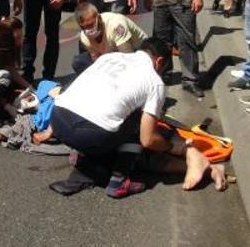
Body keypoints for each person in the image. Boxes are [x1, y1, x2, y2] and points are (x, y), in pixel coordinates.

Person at [36, 38, 227, 198]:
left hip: (58, 119)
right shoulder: (154, 80)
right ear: (159, 62)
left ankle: (88, 155)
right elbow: (148, 139)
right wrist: (171, 148)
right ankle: (118, 181)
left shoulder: (110, 57)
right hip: (89, 134)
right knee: (138, 119)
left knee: (116, 113)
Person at [70, 2, 148, 75]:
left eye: (90, 25)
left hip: (136, 52)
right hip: (111, 55)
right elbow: (96, 59)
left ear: (99, 18)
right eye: (84, 27)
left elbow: (128, 56)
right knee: (78, 62)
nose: (89, 30)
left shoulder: (116, 24)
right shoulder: (84, 37)